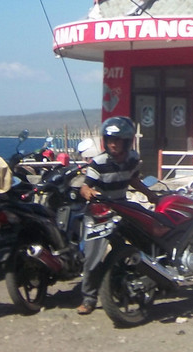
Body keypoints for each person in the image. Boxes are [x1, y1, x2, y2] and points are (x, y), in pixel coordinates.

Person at [76, 116, 158, 315]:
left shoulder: (132, 159)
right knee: (93, 257)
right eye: (110, 140)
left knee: (149, 235)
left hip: (122, 207)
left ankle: (153, 280)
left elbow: (134, 179)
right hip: (100, 211)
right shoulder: (99, 162)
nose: (113, 144)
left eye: (118, 140)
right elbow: (86, 186)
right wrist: (88, 193)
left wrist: (151, 195)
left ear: (127, 142)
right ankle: (89, 298)